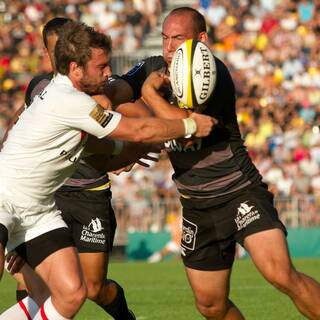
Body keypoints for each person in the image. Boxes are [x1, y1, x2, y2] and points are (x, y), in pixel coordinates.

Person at [0, 20, 215, 320]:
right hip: (4, 198)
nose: (108, 72)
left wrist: (131, 150)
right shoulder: (68, 100)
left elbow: (106, 151)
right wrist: (189, 125)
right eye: (101, 67)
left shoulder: (78, 101)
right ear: (75, 69)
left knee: (73, 293)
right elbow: (136, 129)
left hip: (38, 210)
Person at [139, 7, 320, 320]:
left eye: (178, 39)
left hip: (239, 192)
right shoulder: (153, 67)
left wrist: (150, 98)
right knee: (210, 305)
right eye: (165, 38)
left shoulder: (211, 73)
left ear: (201, 40)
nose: (168, 47)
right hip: (196, 205)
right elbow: (114, 90)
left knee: (280, 274)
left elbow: (189, 126)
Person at [4, 17, 136, 320]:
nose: (59, 56)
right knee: (35, 286)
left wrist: (125, 152)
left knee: (92, 287)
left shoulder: (99, 87)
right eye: (53, 50)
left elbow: (123, 123)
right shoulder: (41, 89)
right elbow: (15, 133)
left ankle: (124, 316)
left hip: (90, 194)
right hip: (46, 197)